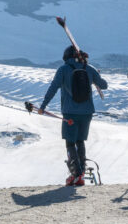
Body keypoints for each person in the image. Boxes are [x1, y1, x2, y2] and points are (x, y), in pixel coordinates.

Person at [40, 45, 108, 186]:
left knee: (70, 143)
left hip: (70, 113)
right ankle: (81, 172)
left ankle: (76, 174)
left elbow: (53, 88)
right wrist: (95, 74)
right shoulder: (89, 68)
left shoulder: (63, 69)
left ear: (66, 57)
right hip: (87, 112)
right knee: (80, 141)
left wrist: (43, 106)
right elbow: (104, 85)